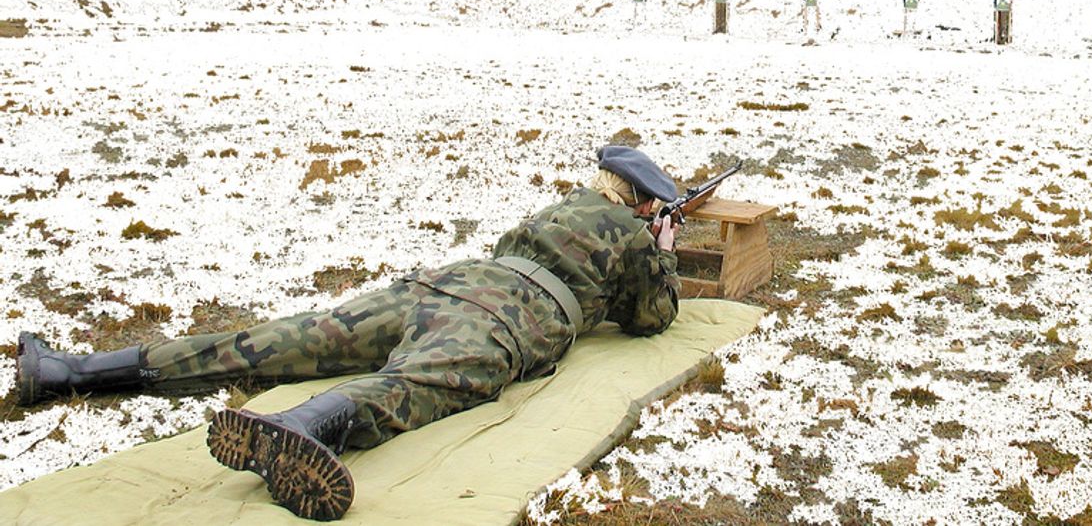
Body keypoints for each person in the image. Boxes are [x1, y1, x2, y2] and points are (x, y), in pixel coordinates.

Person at [15, 145, 682, 521]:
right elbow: (652, 319)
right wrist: (664, 252)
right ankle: (305, 426)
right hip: (505, 319)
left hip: (442, 283)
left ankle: (70, 372)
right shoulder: (636, 239)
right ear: (646, 204)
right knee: (410, 385)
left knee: (278, 339)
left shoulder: (562, 206)